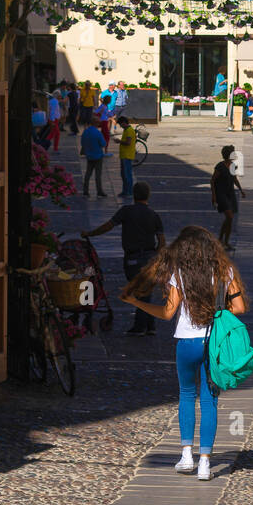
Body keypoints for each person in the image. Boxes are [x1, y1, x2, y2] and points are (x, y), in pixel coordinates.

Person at [121, 226, 248, 480]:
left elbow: (168, 313)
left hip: (186, 344)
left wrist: (137, 303)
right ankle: (205, 464)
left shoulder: (178, 274)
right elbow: (239, 307)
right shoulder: (225, 271)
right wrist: (218, 317)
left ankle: (186, 456)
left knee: (187, 395)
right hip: (213, 343)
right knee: (210, 400)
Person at [82, 180, 165, 337]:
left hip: (133, 257)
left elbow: (108, 226)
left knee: (140, 291)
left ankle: (141, 326)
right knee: (144, 291)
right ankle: (149, 324)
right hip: (149, 256)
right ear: (148, 196)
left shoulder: (127, 211)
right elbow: (161, 241)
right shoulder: (154, 215)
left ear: (134, 195)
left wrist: (90, 234)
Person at [211, 144, 246, 250]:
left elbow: (234, 179)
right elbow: (212, 180)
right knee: (229, 217)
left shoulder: (232, 165)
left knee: (229, 219)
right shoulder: (220, 166)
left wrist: (241, 190)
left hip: (230, 194)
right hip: (221, 194)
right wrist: (214, 196)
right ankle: (223, 241)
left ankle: (223, 240)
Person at [80, 115, 107, 197]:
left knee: (88, 174)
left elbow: (82, 143)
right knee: (98, 175)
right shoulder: (98, 133)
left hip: (89, 155)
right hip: (98, 155)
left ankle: (85, 190)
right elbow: (103, 144)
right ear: (97, 123)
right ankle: (99, 191)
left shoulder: (86, 132)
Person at [114, 113, 137, 199]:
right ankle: (125, 191)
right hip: (124, 155)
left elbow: (128, 142)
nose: (120, 126)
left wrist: (119, 141)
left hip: (127, 156)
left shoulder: (129, 131)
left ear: (124, 123)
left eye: (120, 124)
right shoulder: (126, 130)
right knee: (124, 175)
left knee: (127, 175)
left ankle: (129, 191)